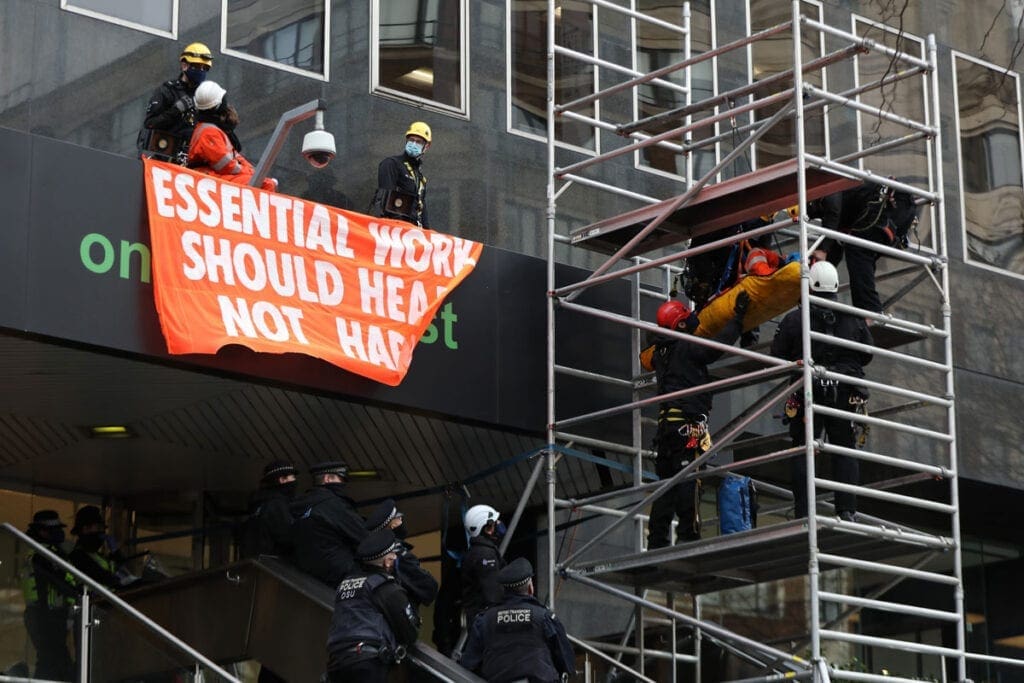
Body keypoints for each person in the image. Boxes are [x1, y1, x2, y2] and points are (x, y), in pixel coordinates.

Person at [770, 261, 874, 521]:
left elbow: (777, 354)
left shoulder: (797, 318)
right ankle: (847, 510)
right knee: (844, 449)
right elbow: (867, 354)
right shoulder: (852, 316)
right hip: (844, 392)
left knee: (804, 450)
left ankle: (804, 511)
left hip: (808, 391)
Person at [648, 291, 749, 548]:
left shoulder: (661, 353)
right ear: (680, 324)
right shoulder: (685, 346)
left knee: (665, 486)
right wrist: (738, 319)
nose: (692, 318)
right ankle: (687, 535)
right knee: (689, 479)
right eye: (686, 316)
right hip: (687, 426)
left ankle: (657, 541)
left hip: (667, 428)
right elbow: (714, 349)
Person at [325, 529, 421, 682]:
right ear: (387, 562)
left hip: (336, 663)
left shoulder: (345, 584)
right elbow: (409, 631)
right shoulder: (385, 587)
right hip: (366, 663)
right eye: (393, 556)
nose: (395, 559)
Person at [808, 183, 919, 314]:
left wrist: (822, 249)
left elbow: (833, 211)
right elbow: (834, 252)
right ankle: (868, 311)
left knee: (857, 250)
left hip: (888, 204)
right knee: (862, 257)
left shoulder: (825, 188)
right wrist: (817, 271)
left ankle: (869, 313)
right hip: (895, 208)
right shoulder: (843, 215)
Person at [460, 558, 577, 683]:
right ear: (530, 587)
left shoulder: (484, 620)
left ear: (503, 590)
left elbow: (468, 665)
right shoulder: (544, 617)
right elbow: (567, 661)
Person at [187, 81, 277, 191]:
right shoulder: (209, 132)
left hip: (213, 175)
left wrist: (254, 173)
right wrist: (254, 175)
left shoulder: (212, 129)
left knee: (263, 181)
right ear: (219, 106)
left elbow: (235, 158)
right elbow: (225, 165)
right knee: (264, 185)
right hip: (208, 177)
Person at [291, 461, 367, 587]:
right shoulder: (332, 504)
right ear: (327, 478)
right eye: (340, 479)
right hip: (342, 575)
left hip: (308, 575)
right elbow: (362, 535)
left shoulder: (300, 506)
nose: (343, 484)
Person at [21, 510, 77, 681]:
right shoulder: (42, 555)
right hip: (44, 615)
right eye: (55, 529)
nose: (60, 533)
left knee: (54, 662)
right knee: (53, 661)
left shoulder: (49, 552)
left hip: (50, 615)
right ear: (42, 531)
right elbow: (58, 581)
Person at [138, 42, 214, 164]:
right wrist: (176, 111)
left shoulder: (205, 98)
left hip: (193, 162)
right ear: (184, 65)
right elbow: (150, 124)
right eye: (198, 66)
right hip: (165, 158)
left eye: (205, 68)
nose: (201, 71)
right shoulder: (167, 91)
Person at [364, 499, 439, 609]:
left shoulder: (373, 552)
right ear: (392, 526)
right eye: (398, 518)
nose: (402, 521)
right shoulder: (399, 554)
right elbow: (429, 587)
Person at [370, 122, 432, 227]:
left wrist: (429, 234)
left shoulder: (420, 178)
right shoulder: (392, 164)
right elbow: (384, 202)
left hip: (414, 232)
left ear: (427, 146)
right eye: (411, 140)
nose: (413, 144)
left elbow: (422, 211)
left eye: (419, 142)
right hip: (396, 229)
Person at [240, 460, 299, 560]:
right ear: (282, 480)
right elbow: (287, 536)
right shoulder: (277, 504)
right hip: (274, 563)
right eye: (292, 478)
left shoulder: (258, 502)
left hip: (255, 560)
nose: (295, 481)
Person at [460, 504, 507, 626]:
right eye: (496, 523)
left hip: (480, 619)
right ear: (487, 528)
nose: (499, 525)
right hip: (488, 622)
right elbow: (493, 594)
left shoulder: (478, 551)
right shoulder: (485, 555)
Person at [68, 505, 127, 589]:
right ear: (85, 529)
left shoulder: (97, 556)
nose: (102, 533)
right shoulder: (77, 557)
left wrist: (116, 552)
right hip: (93, 601)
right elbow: (105, 577)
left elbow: (119, 570)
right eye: (98, 528)